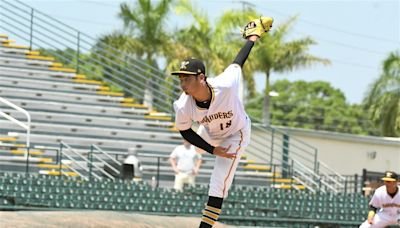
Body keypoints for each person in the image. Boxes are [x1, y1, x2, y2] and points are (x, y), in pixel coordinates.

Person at [171, 17, 273, 228]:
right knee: (198, 151)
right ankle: (203, 152)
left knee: (218, 181)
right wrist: (210, 149)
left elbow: (238, 62)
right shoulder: (182, 105)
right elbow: (185, 131)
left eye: (187, 78)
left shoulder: (225, 84)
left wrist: (253, 37)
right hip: (210, 131)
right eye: (180, 79)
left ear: (201, 77)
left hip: (236, 132)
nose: (182, 83)